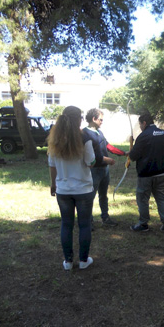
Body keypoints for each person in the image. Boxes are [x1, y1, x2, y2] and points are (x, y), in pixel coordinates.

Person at [48, 106, 95, 270]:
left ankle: (68, 262)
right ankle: (83, 261)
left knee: (66, 224)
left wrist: (53, 184)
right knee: (84, 225)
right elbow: (91, 162)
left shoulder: (54, 139)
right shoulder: (86, 138)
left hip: (63, 190)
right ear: (79, 120)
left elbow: (52, 165)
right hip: (84, 189)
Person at [128, 113, 164, 233]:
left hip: (146, 174)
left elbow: (133, 156)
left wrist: (131, 150)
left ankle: (143, 224)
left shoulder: (143, 136)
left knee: (143, 199)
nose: (140, 127)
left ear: (144, 123)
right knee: (161, 198)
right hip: (161, 173)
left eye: (140, 124)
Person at [82, 108, 126, 229]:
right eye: (100, 119)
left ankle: (105, 218)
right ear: (93, 119)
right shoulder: (84, 133)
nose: (102, 122)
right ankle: (88, 221)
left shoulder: (99, 132)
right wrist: (106, 159)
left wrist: (123, 153)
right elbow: (88, 154)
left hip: (104, 170)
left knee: (103, 195)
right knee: (90, 195)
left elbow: (108, 146)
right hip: (94, 170)